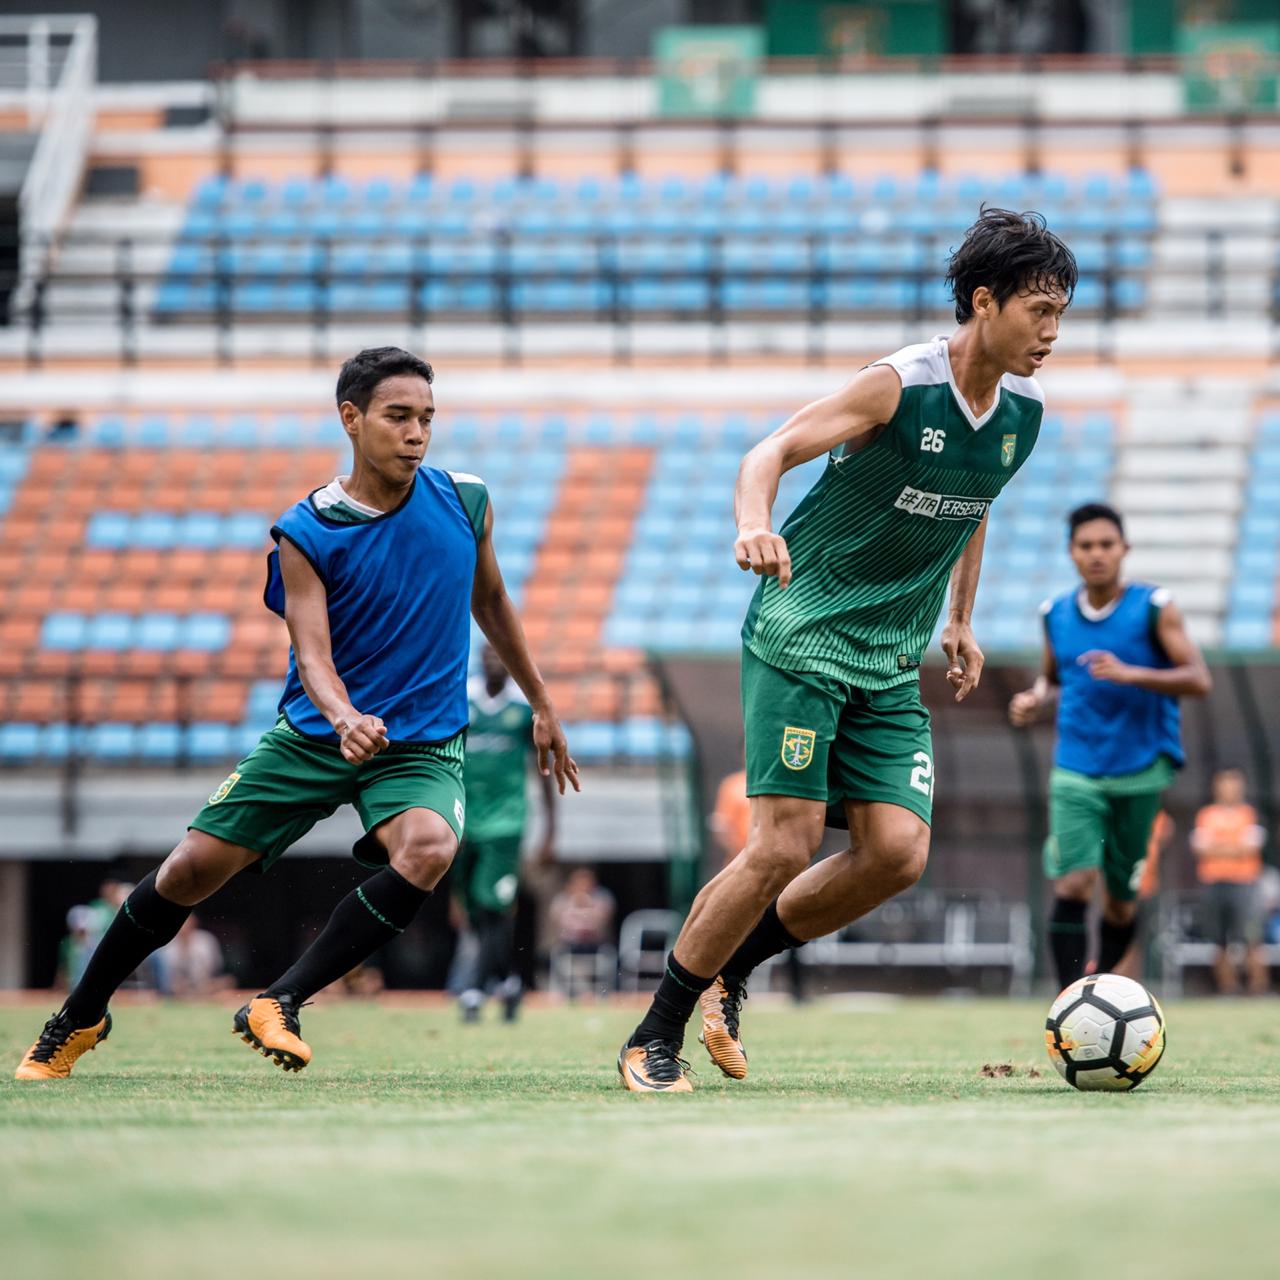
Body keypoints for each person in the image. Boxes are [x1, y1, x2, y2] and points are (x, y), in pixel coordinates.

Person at [16, 346, 579, 1081]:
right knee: (186, 874)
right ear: (351, 418)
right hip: (317, 734)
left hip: (422, 743)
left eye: (427, 420)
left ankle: (279, 1001)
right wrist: (344, 716)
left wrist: (542, 701)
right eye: (399, 416)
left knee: (431, 848)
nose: (417, 434)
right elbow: (311, 655)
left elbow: (493, 601)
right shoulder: (305, 531)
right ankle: (80, 1014)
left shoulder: (466, 501)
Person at [618, 208, 1077, 1091]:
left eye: (1061, 314)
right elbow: (774, 447)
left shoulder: (1024, 411)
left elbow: (972, 504)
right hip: (804, 635)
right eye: (1039, 311)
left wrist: (960, 619)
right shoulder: (898, 385)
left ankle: (732, 970)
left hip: (888, 659)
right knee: (783, 846)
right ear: (984, 302)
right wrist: (754, 524)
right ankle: (654, 1033)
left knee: (897, 853)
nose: (1052, 334)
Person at [1009, 502, 1211, 991]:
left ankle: (1098, 984)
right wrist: (1035, 699)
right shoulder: (1054, 613)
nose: (1096, 554)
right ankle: (1069, 999)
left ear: (1124, 549)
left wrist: (1131, 673)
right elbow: (1055, 679)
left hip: (1140, 768)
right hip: (1076, 766)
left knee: (1121, 899)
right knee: (1074, 882)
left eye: (1106, 544)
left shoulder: (1155, 607)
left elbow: (1199, 679)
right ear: (1071, 553)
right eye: (1086, 546)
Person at [454, 643, 557, 1023]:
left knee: (491, 904)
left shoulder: (522, 710)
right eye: (490, 657)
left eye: (503, 657)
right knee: (474, 910)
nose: (496, 663)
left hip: (506, 824)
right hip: (464, 820)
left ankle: (473, 990)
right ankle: (508, 981)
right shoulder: (463, 703)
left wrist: (550, 831)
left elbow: (543, 770)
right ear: (481, 661)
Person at [1192, 768, 1269, 995]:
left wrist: (1217, 847)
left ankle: (1258, 988)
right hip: (1213, 883)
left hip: (1245, 883)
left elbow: (1251, 847)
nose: (1230, 788)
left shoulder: (1251, 814)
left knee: (1252, 937)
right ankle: (1228, 988)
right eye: (1225, 783)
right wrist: (1235, 847)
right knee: (1218, 940)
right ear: (1216, 787)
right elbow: (1200, 849)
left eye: (1234, 783)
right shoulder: (1205, 815)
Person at [158, 916, 232, 999]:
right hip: (179, 988)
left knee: (228, 981)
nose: (184, 927)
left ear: (194, 923)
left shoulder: (206, 940)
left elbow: (215, 968)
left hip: (205, 984)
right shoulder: (168, 944)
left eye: (187, 923)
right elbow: (167, 975)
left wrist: (204, 984)